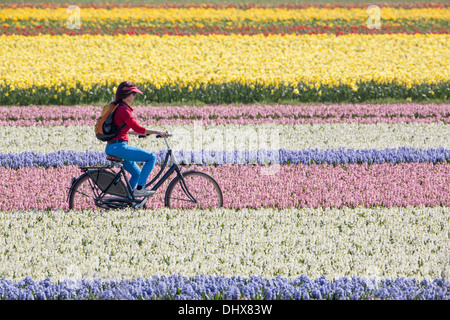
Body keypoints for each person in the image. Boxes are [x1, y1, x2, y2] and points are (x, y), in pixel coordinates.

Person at [105, 81, 169, 197]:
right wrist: (158, 132)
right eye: (133, 94)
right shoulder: (123, 110)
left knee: (137, 174)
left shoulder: (118, 108)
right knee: (151, 157)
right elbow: (138, 127)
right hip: (119, 147)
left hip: (113, 146)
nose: (134, 96)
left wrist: (138, 134)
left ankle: (127, 199)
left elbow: (122, 131)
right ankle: (140, 189)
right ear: (127, 94)